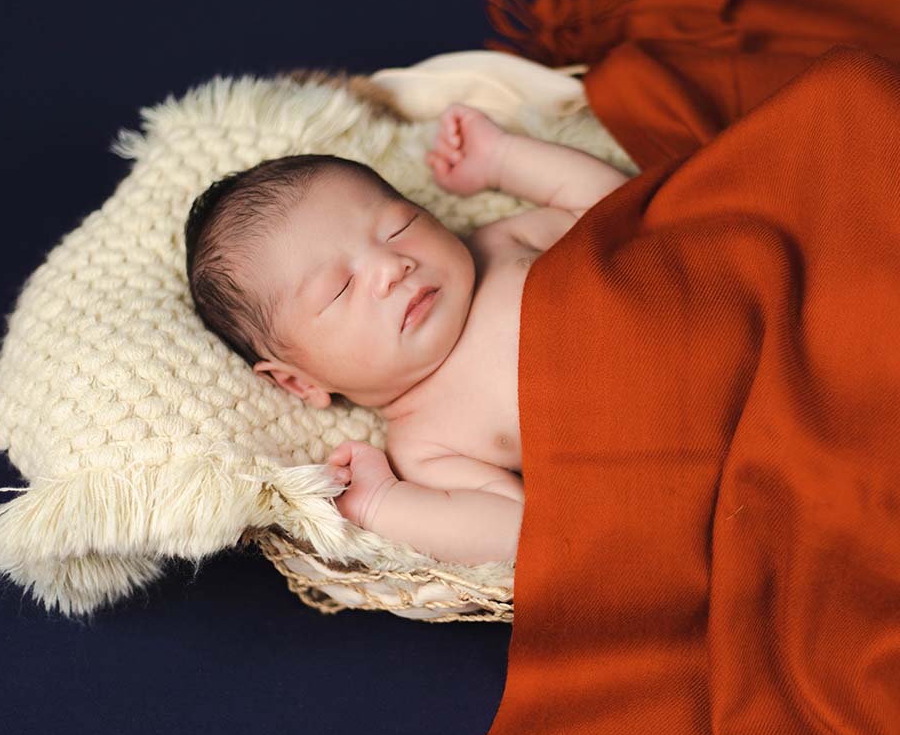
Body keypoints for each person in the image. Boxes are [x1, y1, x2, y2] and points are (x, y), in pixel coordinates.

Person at [184, 103, 630, 565]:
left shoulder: (498, 246)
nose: (390, 266)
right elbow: (518, 531)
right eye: (340, 289)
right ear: (300, 382)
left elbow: (617, 209)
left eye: (398, 228)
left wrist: (501, 159)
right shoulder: (424, 444)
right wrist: (381, 503)